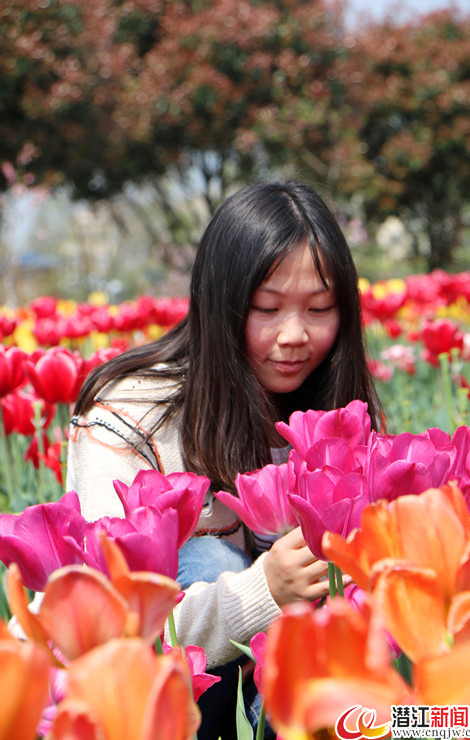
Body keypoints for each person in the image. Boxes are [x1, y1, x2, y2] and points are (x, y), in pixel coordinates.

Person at [67, 180, 383, 739]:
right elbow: (102, 618)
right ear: (219, 304)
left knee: (440, 717)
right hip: (161, 704)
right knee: (212, 562)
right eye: (266, 309)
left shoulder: (338, 414)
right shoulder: (133, 414)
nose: (294, 336)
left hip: (311, 698)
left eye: (319, 309)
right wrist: (264, 593)